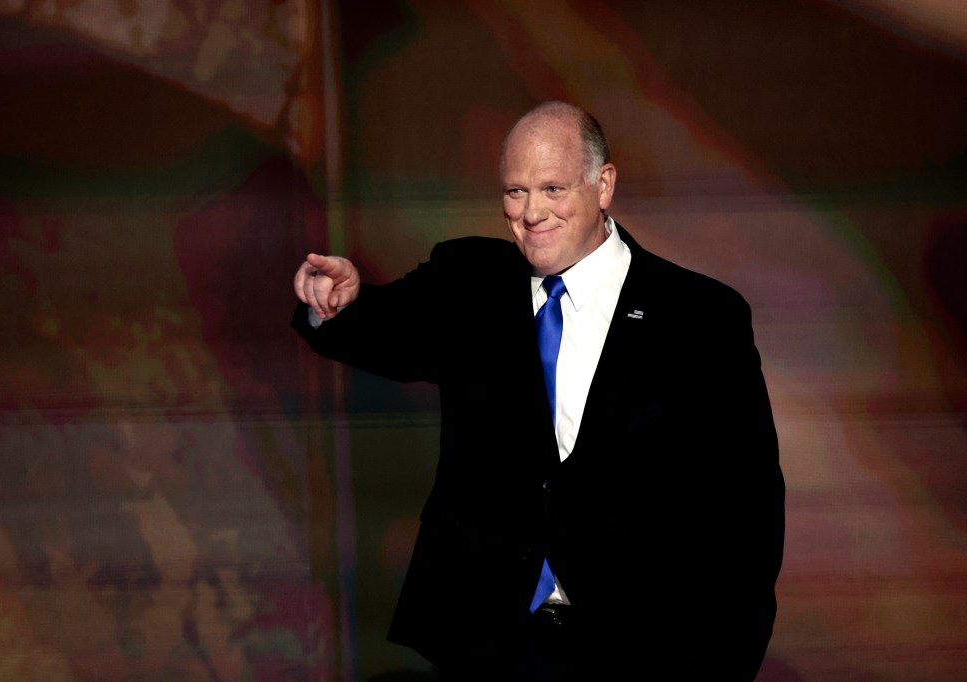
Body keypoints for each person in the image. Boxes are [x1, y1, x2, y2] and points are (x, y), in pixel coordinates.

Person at [292, 101, 784, 680]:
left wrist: (720, 663)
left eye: (552, 188)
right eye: (515, 192)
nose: (531, 213)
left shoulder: (700, 318)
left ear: (603, 185)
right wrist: (339, 305)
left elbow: (747, 511)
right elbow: (384, 327)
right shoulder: (472, 282)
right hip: (492, 647)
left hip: (641, 652)